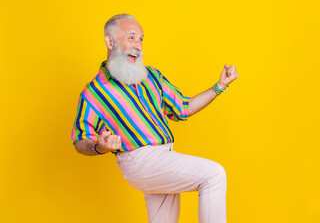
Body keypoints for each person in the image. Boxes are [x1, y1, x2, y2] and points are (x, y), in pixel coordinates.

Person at [71, 14, 238, 223]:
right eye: (131, 37)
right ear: (110, 41)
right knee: (214, 175)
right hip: (140, 160)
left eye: (141, 39)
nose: (138, 45)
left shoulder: (151, 76)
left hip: (164, 157)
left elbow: (183, 108)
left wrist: (219, 87)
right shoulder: (94, 92)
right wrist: (100, 146)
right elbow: (80, 140)